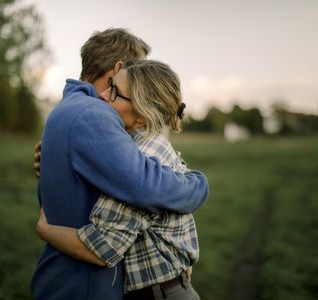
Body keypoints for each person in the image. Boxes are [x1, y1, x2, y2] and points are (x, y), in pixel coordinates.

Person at [30, 28, 208, 300]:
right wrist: (197, 185)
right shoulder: (94, 114)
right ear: (118, 68)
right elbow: (143, 187)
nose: (105, 97)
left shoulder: (69, 110)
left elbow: (138, 188)